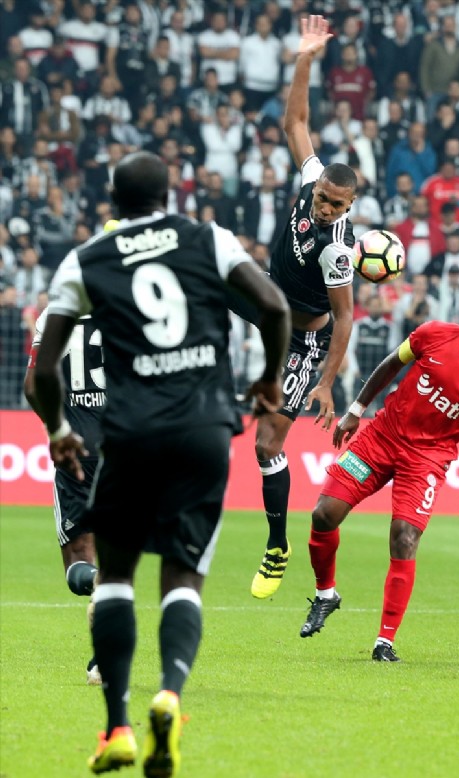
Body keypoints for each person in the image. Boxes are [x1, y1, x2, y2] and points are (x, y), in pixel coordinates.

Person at [33, 151, 290, 775]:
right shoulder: (209, 238)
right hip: (204, 429)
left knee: (116, 577)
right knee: (184, 576)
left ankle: (118, 725)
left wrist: (60, 429)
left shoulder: (85, 261)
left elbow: (41, 371)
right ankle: (170, 691)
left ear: (112, 200)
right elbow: (276, 308)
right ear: (169, 193)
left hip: (130, 432)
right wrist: (267, 383)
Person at [299, 291, 459, 662]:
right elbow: (392, 363)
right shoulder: (434, 333)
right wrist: (356, 409)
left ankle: (384, 642)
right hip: (381, 438)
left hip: (426, 461)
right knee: (324, 514)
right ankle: (326, 595)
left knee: (404, 538)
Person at [242, 15, 357, 600]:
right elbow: (296, 122)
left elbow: (344, 318)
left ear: (351, 204)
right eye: (324, 200)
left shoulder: (339, 250)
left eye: (339, 205)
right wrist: (306, 57)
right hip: (265, 300)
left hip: (300, 337)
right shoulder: (311, 175)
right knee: (203, 267)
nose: (327, 210)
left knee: (267, 446)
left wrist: (328, 383)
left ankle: (277, 544)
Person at [23, 305, 105, 686]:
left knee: (78, 563)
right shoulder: (128, 303)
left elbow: (32, 385)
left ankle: (99, 583)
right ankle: (102, 657)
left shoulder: (53, 313)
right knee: (120, 555)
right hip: (125, 447)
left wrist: (58, 430)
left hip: (76, 450)